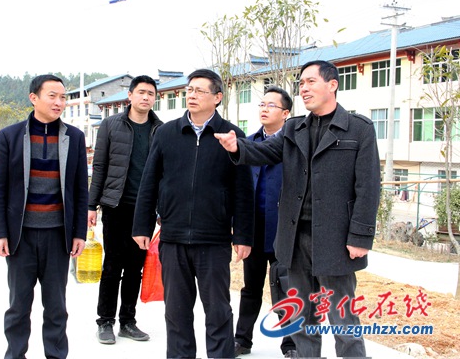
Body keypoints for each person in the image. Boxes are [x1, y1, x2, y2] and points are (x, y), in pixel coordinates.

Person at [216, 60, 380, 358]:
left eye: (310, 82)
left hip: (336, 238)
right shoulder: (294, 128)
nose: (303, 88)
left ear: (332, 85)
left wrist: (361, 236)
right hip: (295, 237)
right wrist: (237, 147)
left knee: (342, 315)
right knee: (303, 314)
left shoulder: (359, 129)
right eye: (301, 83)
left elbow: (368, 187)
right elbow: (265, 151)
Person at [133, 68, 254, 359]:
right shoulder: (166, 133)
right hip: (173, 237)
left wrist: (243, 236)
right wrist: (142, 226)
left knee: (218, 311)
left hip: (213, 239)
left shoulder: (232, 136)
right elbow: (149, 181)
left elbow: (242, 190)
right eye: (189, 90)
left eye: (200, 90)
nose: (192, 95)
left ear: (217, 97)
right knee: (176, 313)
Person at [0, 74, 89, 359]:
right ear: (34, 98)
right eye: (52, 96)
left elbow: (81, 189)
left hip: (58, 236)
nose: (59, 102)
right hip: (21, 237)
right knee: (18, 306)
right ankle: (15, 354)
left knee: (56, 306)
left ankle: (55, 355)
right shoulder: (9, 136)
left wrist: (79, 232)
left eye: (63, 97)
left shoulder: (74, 138)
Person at [88, 75, 163, 344]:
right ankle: (105, 321)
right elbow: (99, 166)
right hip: (115, 206)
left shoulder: (160, 129)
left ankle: (128, 322)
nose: (146, 97)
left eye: (151, 94)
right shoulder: (111, 125)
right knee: (112, 265)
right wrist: (91, 205)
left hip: (145, 210)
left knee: (135, 267)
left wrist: (162, 210)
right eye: (141, 92)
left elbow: (164, 174)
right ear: (129, 95)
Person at [234, 86, 296, 358]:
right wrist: (239, 229)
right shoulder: (248, 144)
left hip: (284, 231)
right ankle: (242, 340)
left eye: (271, 105)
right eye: (262, 104)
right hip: (255, 230)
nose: (264, 109)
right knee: (251, 288)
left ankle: (291, 344)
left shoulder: (294, 147)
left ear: (285, 113)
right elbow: (239, 190)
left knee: (286, 289)